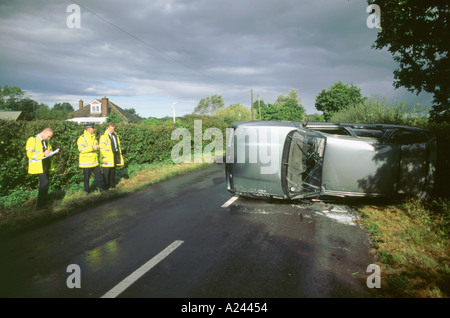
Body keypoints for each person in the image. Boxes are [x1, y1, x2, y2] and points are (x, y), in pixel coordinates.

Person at [26, 127, 54, 209]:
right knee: (44, 183)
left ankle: (44, 201)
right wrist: (43, 154)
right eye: (48, 136)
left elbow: (49, 151)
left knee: (46, 183)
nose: (49, 138)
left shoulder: (46, 141)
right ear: (44, 132)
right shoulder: (32, 140)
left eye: (50, 137)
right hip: (38, 165)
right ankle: (40, 205)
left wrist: (52, 153)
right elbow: (30, 154)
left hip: (45, 165)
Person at [77, 123, 105, 194]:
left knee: (99, 175)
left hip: (94, 161)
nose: (94, 129)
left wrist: (97, 147)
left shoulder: (93, 137)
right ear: (89, 129)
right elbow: (81, 150)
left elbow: (95, 145)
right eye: (93, 128)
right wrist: (92, 148)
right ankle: (87, 191)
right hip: (86, 162)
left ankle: (103, 189)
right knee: (86, 178)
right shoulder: (82, 138)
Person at [99, 123, 124, 189]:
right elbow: (102, 148)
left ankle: (112, 185)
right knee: (106, 173)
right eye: (110, 129)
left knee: (113, 171)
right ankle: (106, 187)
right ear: (108, 128)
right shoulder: (103, 137)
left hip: (114, 156)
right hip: (107, 157)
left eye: (113, 129)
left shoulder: (115, 136)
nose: (112, 130)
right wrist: (104, 158)